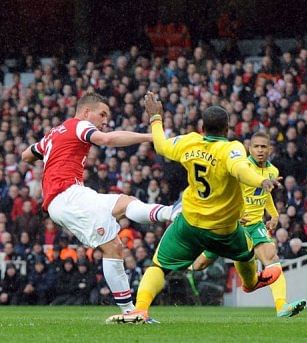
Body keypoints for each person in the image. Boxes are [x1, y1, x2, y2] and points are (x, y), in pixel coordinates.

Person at [111, 94, 283, 323]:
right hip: (224, 229)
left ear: (203, 127)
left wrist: (155, 117)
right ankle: (251, 284)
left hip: (189, 223)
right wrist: (261, 181)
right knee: (245, 255)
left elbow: (161, 145)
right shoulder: (231, 149)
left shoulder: (190, 142)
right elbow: (240, 169)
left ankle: (140, 309)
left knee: (159, 265)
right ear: (227, 128)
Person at [21, 92, 176, 319]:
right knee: (112, 246)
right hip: (67, 196)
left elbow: (26, 155)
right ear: (86, 112)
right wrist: (151, 137)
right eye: (102, 114)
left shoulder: (54, 132)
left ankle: (171, 213)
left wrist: (46, 155)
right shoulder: (80, 126)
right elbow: (107, 140)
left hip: (72, 195)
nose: (105, 121)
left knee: (126, 203)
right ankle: (130, 312)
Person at [191, 132, 306, 317]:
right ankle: (181, 273)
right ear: (249, 148)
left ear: (270, 149)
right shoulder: (240, 167)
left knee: (272, 258)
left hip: (254, 225)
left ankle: (281, 306)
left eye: (263, 146)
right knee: (200, 265)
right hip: (230, 226)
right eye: (256, 147)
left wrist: (274, 214)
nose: (260, 150)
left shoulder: (273, 171)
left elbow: (265, 191)